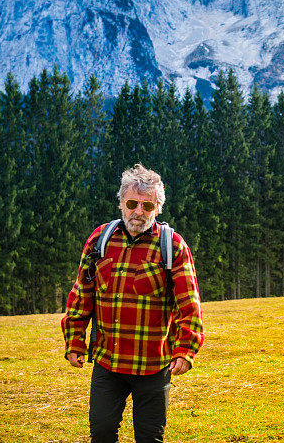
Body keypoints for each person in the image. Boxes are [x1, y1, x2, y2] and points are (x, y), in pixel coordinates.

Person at [61, 163, 204, 443]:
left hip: (152, 364)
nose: (139, 212)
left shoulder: (172, 245)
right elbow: (81, 294)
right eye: (132, 203)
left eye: (147, 206)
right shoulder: (100, 239)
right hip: (107, 362)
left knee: (150, 439)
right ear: (121, 203)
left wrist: (185, 349)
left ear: (157, 209)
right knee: (101, 433)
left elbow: (189, 304)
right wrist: (75, 341)